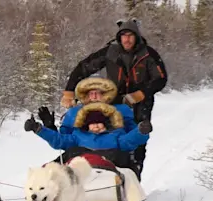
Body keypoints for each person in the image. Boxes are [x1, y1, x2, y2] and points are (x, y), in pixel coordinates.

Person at [58, 18, 167, 180]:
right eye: (123, 35)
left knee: (138, 139)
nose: (127, 39)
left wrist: (140, 94)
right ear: (119, 37)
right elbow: (84, 67)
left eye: (130, 35)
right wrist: (69, 90)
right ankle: (106, 177)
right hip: (114, 103)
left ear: (136, 36)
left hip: (141, 104)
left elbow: (161, 78)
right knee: (111, 139)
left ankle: (133, 179)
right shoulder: (110, 52)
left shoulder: (148, 54)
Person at [24, 101, 152, 180]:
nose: (96, 126)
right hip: (82, 168)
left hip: (110, 166)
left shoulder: (115, 135)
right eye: (92, 124)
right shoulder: (78, 136)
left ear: (106, 124)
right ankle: (42, 179)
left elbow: (129, 140)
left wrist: (140, 131)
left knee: (123, 154)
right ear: (86, 125)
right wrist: (39, 129)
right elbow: (59, 140)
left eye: (99, 123)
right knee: (70, 153)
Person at [39, 77, 136, 135]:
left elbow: (133, 134)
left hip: (114, 153)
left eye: (97, 93)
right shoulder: (73, 112)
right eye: (90, 93)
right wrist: (50, 127)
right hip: (79, 154)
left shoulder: (121, 110)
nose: (93, 96)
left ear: (105, 94)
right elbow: (63, 139)